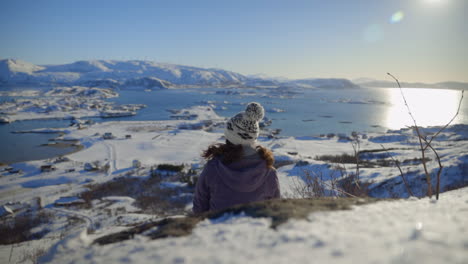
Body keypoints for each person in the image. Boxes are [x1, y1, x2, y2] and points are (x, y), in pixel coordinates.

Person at [192, 102, 280, 214]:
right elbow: (275, 210)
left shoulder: (213, 168)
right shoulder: (269, 172)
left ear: (229, 136)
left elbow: (199, 209)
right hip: (256, 229)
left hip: (216, 229)